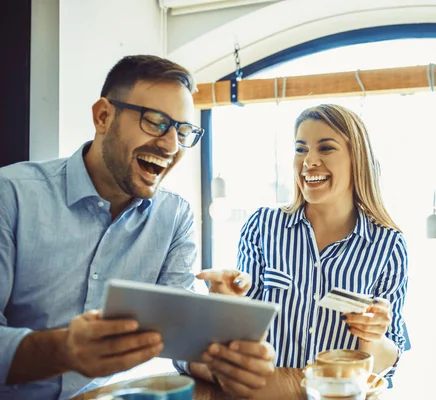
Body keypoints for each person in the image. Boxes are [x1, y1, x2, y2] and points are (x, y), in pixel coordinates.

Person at [0, 55, 274, 400]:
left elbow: (179, 337)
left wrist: (219, 362)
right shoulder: (10, 195)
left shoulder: (175, 216)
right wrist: (62, 349)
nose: (171, 145)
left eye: (183, 131)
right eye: (156, 121)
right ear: (103, 116)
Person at [204, 104, 409, 384]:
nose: (309, 161)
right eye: (301, 149)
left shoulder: (389, 245)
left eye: (325, 148)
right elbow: (244, 335)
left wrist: (374, 335)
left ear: (356, 159)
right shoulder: (263, 226)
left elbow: (388, 364)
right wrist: (227, 303)